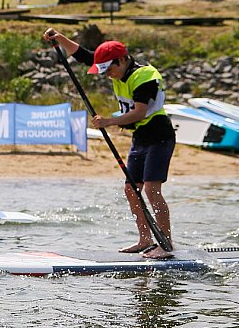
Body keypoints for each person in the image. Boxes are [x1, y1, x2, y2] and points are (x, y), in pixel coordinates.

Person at [44, 28, 177, 259]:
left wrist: (108, 122)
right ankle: (144, 239)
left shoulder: (144, 76)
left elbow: (139, 112)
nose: (108, 75)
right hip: (140, 139)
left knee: (151, 190)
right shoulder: (116, 67)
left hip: (159, 137)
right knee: (131, 190)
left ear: (123, 59)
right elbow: (83, 54)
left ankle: (166, 245)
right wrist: (59, 39)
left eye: (110, 69)